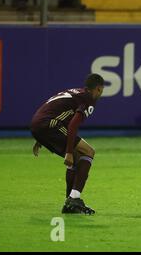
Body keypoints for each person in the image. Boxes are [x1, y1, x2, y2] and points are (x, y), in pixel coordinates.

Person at [30, 73, 105, 215]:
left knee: (78, 158)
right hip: (49, 125)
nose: (100, 94)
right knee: (89, 152)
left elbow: (53, 109)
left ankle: (70, 203)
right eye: (100, 90)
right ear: (98, 89)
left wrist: (40, 137)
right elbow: (72, 126)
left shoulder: (76, 92)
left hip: (39, 124)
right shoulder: (88, 99)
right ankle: (74, 199)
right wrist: (69, 152)